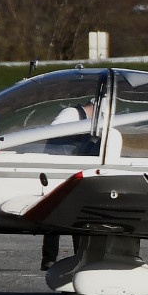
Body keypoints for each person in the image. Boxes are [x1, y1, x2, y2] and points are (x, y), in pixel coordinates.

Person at [41, 101, 94, 270]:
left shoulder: (85, 119)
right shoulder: (71, 113)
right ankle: (49, 258)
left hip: (71, 168)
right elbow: (54, 131)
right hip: (57, 169)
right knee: (54, 213)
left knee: (76, 215)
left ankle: (79, 256)